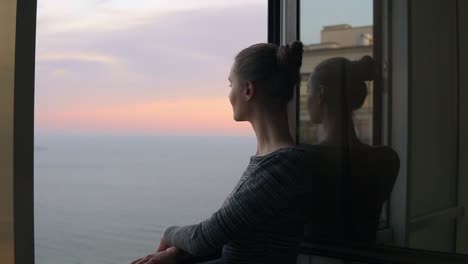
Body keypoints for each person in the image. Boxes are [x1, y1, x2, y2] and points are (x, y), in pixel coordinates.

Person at [130, 41, 317, 264]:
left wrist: (169, 234)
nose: (229, 95)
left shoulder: (285, 166)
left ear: (248, 90)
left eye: (231, 85)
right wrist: (178, 253)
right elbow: (233, 236)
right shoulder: (271, 161)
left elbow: (206, 236)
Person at [303, 56, 400, 245]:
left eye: (308, 91)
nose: (307, 99)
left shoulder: (307, 160)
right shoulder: (387, 160)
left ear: (321, 94)